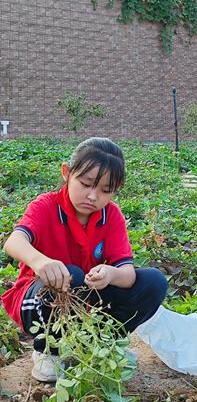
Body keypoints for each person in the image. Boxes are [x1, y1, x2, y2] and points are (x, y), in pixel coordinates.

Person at [1, 138, 168, 382]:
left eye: (105, 190)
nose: (93, 196)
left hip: (85, 299)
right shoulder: (46, 206)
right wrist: (41, 262)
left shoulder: (111, 216)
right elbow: (13, 242)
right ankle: (49, 351)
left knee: (153, 281)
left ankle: (98, 345)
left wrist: (110, 274)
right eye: (86, 184)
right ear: (67, 173)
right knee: (71, 276)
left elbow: (127, 273)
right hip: (39, 299)